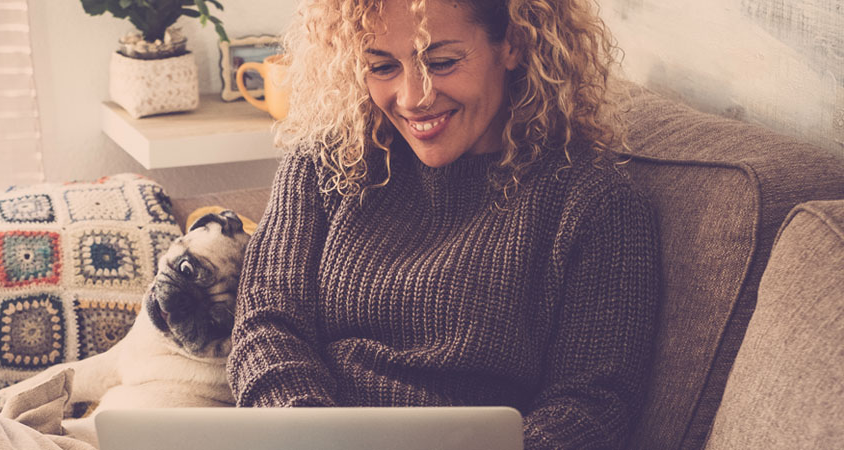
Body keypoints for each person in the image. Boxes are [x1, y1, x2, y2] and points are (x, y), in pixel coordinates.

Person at [226, 0, 661, 448]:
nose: (413, 97)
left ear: (512, 43)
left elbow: (591, 406)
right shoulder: (327, 164)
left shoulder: (593, 202)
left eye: (442, 62)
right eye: (381, 66)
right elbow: (267, 323)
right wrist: (309, 432)